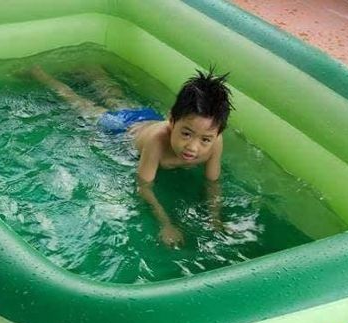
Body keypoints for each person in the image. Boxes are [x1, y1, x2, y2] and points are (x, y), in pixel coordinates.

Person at [30, 65, 233, 247]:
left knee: (115, 98)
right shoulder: (157, 142)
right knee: (82, 106)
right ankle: (38, 73)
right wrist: (166, 224)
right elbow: (144, 187)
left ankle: (91, 70)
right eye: (186, 134)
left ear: (217, 134)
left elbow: (212, 183)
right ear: (172, 120)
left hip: (147, 118)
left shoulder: (215, 141)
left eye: (205, 139)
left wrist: (214, 219)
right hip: (121, 130)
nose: (193, 147)